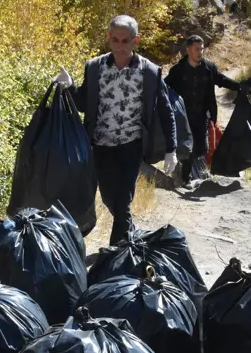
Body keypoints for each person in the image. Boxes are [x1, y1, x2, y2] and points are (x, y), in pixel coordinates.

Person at [55, 15, 177, 245]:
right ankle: (131, 239)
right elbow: (84, 105)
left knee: (123, 202)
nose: (120, 47)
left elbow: (165, 109)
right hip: (100, 145)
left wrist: (172, 149)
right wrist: (70, 87)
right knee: (110, 199)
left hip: (132, 144)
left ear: (136, 40)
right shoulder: (95, 67)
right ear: (108, 38)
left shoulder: (149, 71)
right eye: (115, 40)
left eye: (125, 41)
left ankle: (115, 256)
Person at [165, 35, 240, 185]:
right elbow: (164, 88)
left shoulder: (209, 68)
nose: (200, 52)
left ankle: (193, 175)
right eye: (197, 49)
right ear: (188, 50)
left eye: (202, 49)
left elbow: (222, 80)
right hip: (183, 116)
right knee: (187, 146)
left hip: (202, 114)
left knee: (201, 147)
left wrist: (240, 86)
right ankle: (186, 179)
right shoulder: (178, 70)